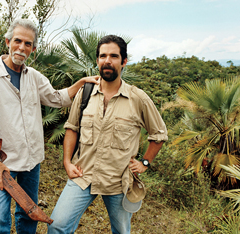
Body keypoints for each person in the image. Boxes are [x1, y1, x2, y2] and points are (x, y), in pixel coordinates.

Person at [0, 19, 99, 234]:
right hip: (2, 160)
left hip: (31, 160)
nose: (22, 48)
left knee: (28, 213)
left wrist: (79, 84)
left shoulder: (34, 77)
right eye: (18, 41)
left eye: (28, 44)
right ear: (7, 42)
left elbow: (57, 99)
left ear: (34, 49)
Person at [47, 35, 168, 234]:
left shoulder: (138, 98)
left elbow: (159, 134)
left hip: (118, 181)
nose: (107, 61)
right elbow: (72, 128)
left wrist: (145, 163)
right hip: (83, 174)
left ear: (124, 61)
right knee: (58, 226)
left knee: (121, 231)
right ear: (97, 61)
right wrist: (67, 162)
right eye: (103, 56)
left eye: (114, 56)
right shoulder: (85, 93)